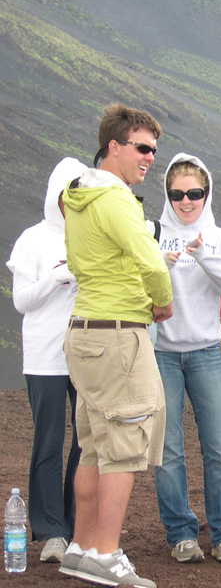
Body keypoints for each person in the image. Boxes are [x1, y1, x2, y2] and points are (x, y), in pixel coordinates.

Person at [60, 103, 173, 588]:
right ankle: (107, 556)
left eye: (153, 150)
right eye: (142, 148)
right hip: (118, 333)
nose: (149, 158)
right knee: (125, 446)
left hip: (85, 330)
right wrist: (162, 303)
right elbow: (151, 261)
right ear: (114, 146)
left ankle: (81, 549)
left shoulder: (78, 195)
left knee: (93, 446)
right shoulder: (116, 197)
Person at [152, 154, 221, 564]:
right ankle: (181, 533)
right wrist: (160, 266)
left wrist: (203, 254)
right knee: (167, 450)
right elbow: (138, 283)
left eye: (194, 193)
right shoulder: (151, 233)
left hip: (206, 351)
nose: (186, 201)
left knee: (218, 448)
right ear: (167, 195)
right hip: (161, 354)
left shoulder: (220, 236)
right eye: (177, 194)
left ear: (207, 194)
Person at [6, 157, 86, 564]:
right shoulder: (32, 239)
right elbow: (21, 301)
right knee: (49, 440)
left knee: (86, 440)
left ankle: (75, 525)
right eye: (66, 193)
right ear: (55, 194)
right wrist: (55, 277)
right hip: (45, 356)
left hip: (87, 352)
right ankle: (50, 529)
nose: (72, 201)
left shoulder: (91, 235)